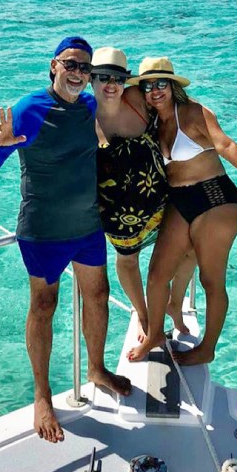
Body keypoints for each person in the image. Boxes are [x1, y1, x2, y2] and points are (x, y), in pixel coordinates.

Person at [0, 36, 131, 443]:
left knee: (97, 295)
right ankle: (42, 395)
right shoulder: (29, 109)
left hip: (87, 227)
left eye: (85, 68)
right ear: (53, 66)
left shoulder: (90, 106)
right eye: (71, 64)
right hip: (43, 229)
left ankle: (96, 368)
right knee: (44, 306)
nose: (78, 73)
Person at [126, 56, 237, 366]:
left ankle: (207, 348)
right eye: (148, 85)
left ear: (173, 86)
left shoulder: (192, 112)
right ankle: (154, 334)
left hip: (215, 197)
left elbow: (225, 145)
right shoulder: (151, 121)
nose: (155, 91)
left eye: (161, 83)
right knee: (156, 275)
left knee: (211, 280)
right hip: (181, 199)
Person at [90, 47, 196, 338]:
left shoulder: (136, 99)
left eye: (118, 78)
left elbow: (174, 109)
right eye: (102, 77)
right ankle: (143, 312)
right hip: (117, 214)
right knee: (129, 261)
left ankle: (174, 303)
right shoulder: (82, 118)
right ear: (90, 79)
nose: (110, 85)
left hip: (162, 199)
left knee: (192, 248)